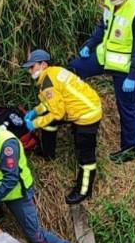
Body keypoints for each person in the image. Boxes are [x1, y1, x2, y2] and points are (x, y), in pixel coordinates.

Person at [68, 0, 135, 164]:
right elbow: (102, 27)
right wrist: (89, 45)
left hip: (124, 68)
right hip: (104, 57)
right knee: (73, 69)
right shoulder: (109, 2)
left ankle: (128, 149)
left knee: (127, 107)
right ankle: (70, 112)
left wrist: (133, 75)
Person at [21, 49, 102, 205]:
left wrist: (35, 124)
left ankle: (83, 191)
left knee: (86, 157)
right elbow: (52, 103)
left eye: (32, 67)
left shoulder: (47, 82)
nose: (30, 70)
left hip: (86, 116)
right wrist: (35, 111)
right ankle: (48, 152)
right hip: (85, 106)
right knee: (49, 123)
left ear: (43, 64)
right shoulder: (53, 73)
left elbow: (57, 113)